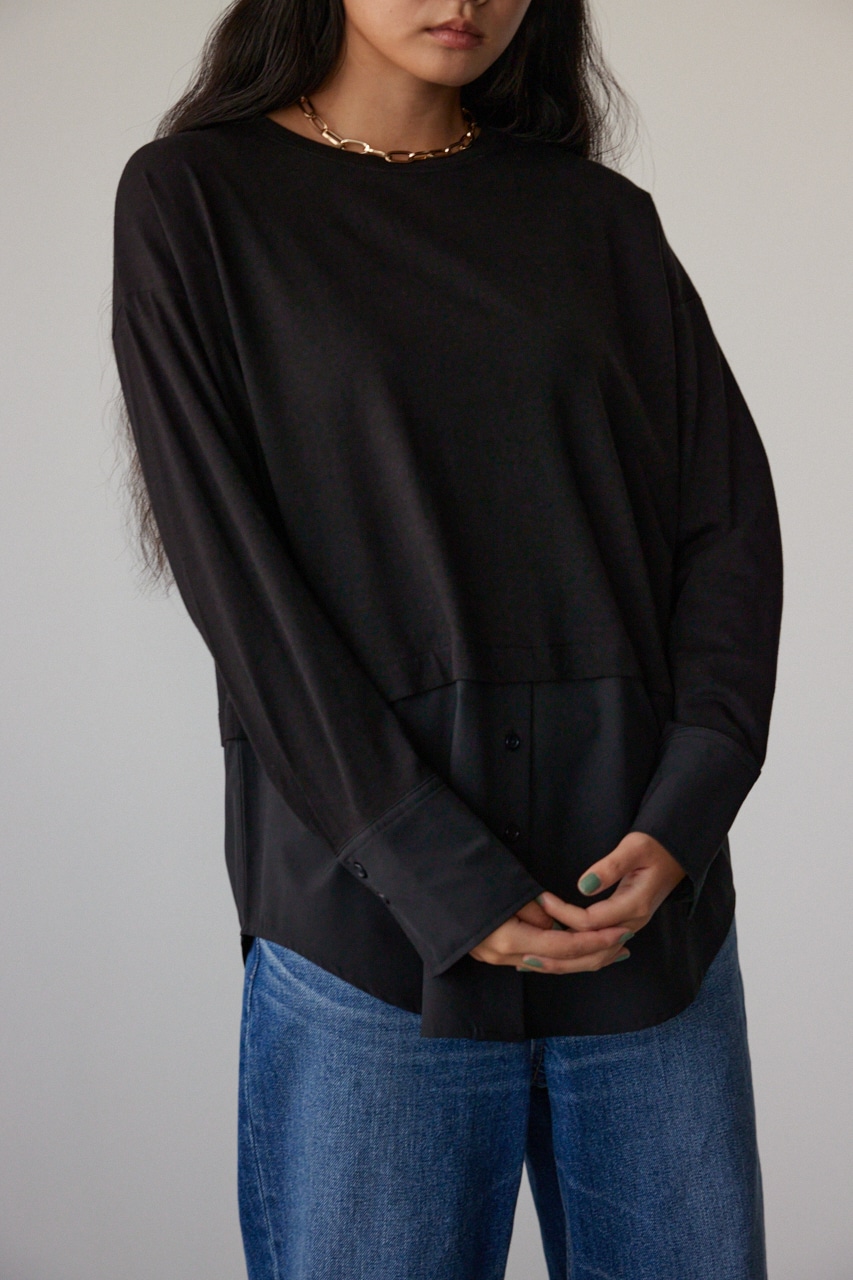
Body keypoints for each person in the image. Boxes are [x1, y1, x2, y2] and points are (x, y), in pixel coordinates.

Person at [111, 0, 783, 1275]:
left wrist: (688, 807)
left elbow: (726, 522)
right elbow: (237, 585)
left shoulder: (596, 219)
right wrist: (432, 867)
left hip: (636, 906)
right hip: (369, 930)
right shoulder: (196, 200)